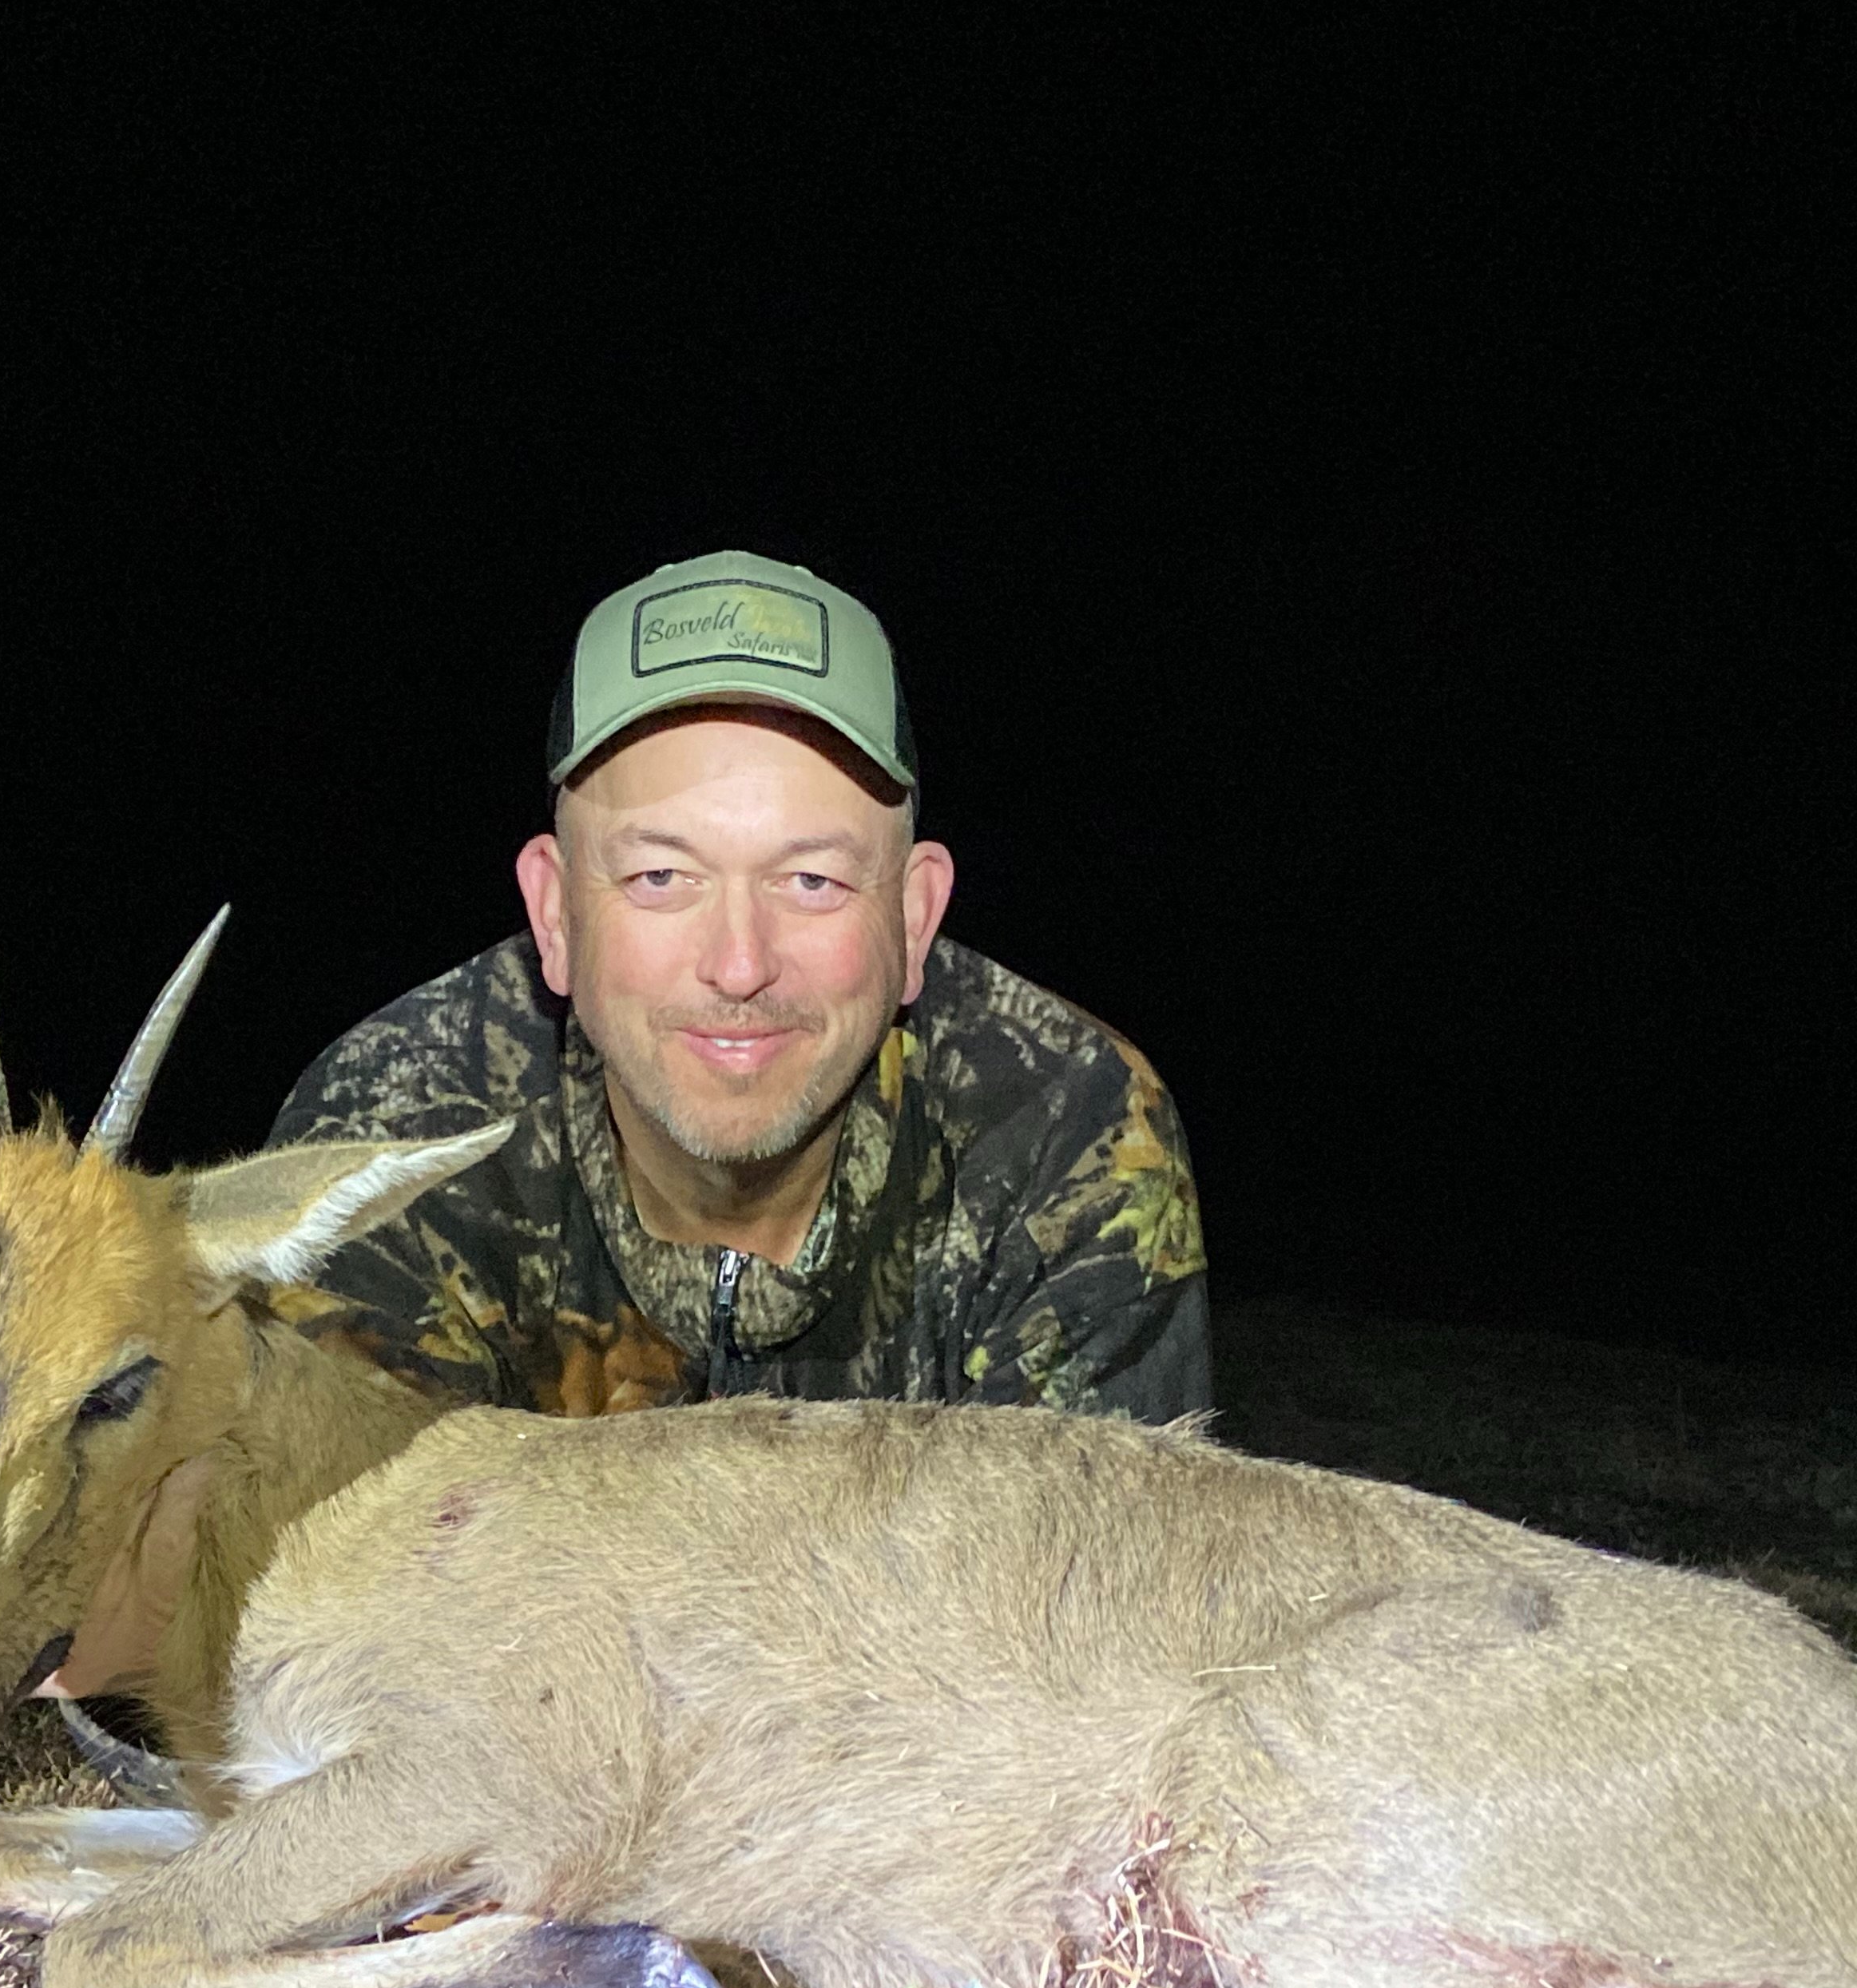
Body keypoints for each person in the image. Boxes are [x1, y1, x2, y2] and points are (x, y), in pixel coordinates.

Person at [273, 550, 1211, 1423]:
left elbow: (1081, 1587)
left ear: (914, 919)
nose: (739, 964)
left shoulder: (1066, 1128)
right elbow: (352, 1584)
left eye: (812, 881)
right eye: (660, 878)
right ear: (555, 916)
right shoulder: (387, 1146)